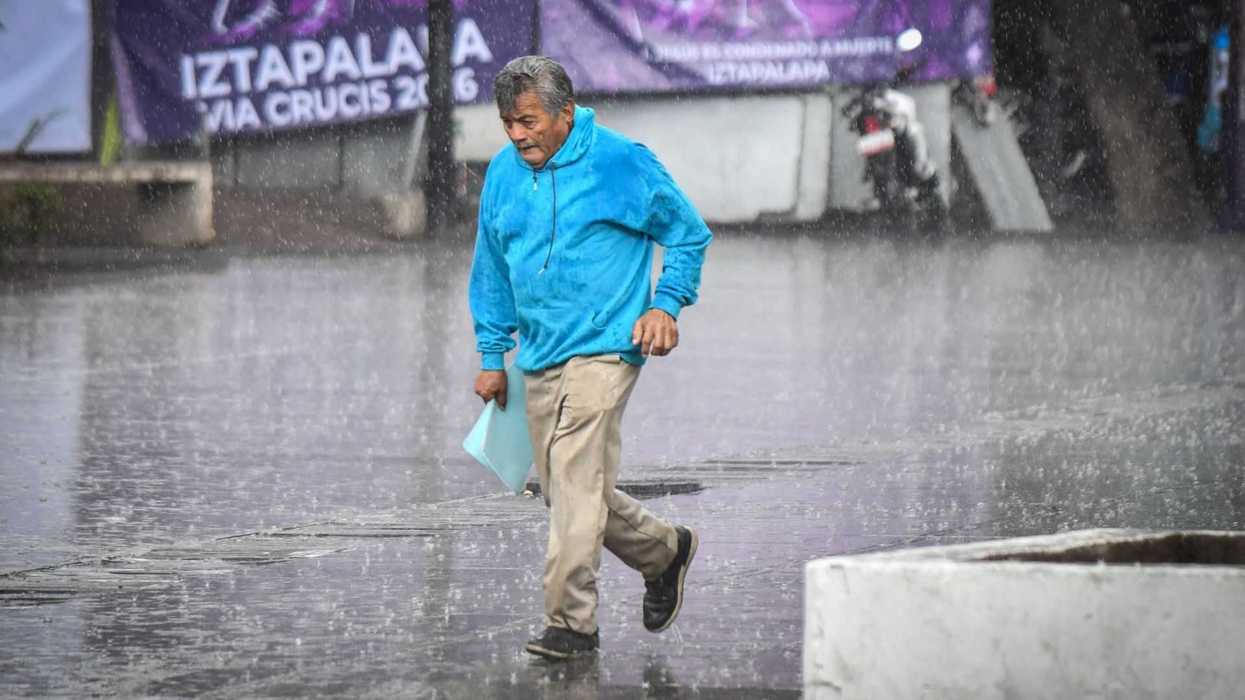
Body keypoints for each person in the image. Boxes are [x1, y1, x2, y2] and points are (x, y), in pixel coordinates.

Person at [468, 55, 712, 660]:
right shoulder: (502, 173)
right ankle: (664, 550)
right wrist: (494, 354)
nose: (518, 135)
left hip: (609, 346)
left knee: (576, 479)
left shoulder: (620, 161)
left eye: (527, 121)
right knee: (566, 492)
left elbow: (687, 232)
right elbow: (492, 268)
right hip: (540, 353)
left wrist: (666, 305)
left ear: (565, 113)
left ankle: (570, 624)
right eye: (508, 123)